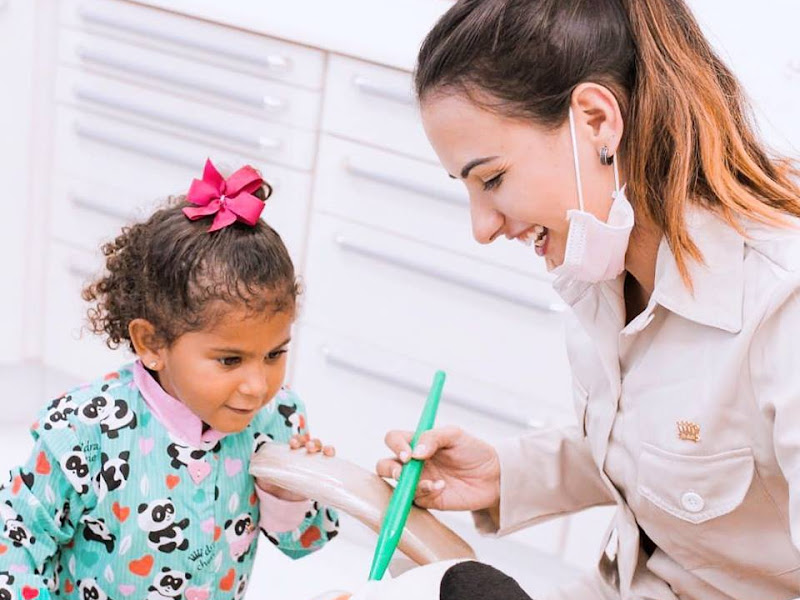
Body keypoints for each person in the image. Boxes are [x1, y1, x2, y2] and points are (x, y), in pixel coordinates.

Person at [377, 0, 800, 598]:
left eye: (492, 179)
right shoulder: (603, 270)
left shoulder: (783, 308)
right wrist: (504, 474)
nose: (482, 227)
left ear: (597, 121)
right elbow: (673, 448)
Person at [0, 159, 339, 599]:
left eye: (275, 354)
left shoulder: (277, 417)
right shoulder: (84, 432)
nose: (257, 386)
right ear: (152, 342)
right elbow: (15, 547)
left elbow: (306, 541)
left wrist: (285, 493)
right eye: (230, 360)